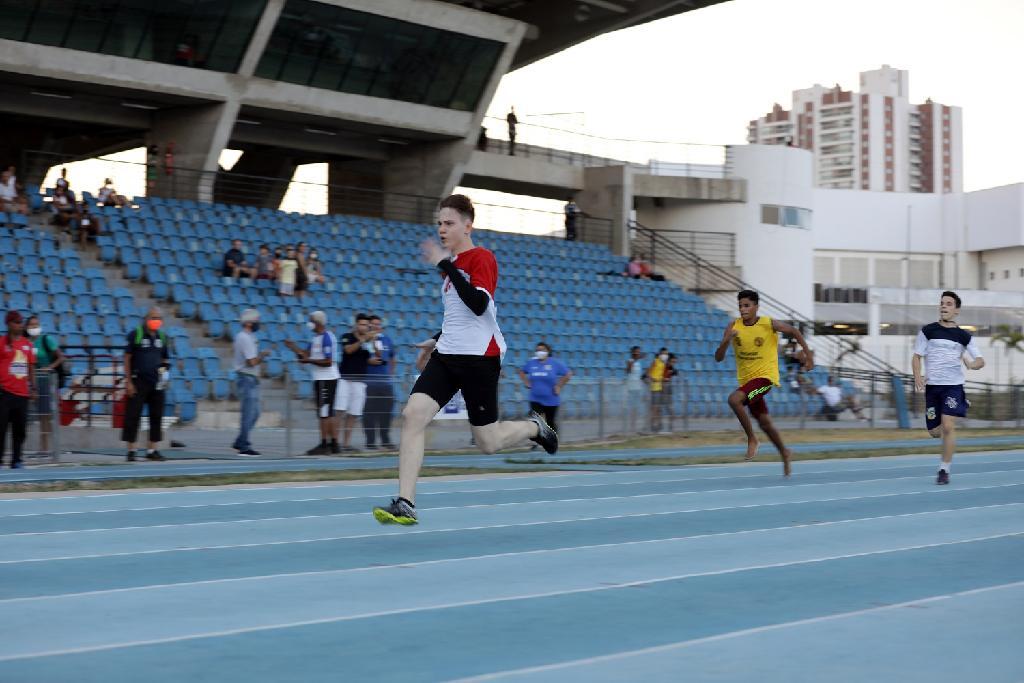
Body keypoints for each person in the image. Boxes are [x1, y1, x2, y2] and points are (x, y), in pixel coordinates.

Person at [372, 194, 557, 525]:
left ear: (467, 225)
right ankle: (405, 501)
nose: (442, 229)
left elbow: (478, 306)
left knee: (488, 442)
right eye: (439, 223)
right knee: (413, 414)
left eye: (449, 223)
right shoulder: (452, 269)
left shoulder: (481, 258)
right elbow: (458, 318)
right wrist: (434, 341)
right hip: (447, 356)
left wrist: (444, 263)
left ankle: (534, 427)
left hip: (479, 361)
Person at [714, 290, 813, 476]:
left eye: (747, 305)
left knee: (735, 400)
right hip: (748, 383)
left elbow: (794, 331)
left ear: (756, 307)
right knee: (765, 423)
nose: (743, 309)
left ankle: (752, 439)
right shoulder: (733, 326)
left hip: (765, 380)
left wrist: (808, 357)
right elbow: (718, 358)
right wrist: (726, 341)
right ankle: (785, 452)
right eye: (740, 306)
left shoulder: (768, 324)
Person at [912, 291, 985, 485]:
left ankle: (944, 469)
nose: (944, 306)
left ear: (957, 310)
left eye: (949, 304)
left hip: (952, 386)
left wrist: (972, 365)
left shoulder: (963, 336)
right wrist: (917, 375)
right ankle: (962, 403)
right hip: (933, 388)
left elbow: (980, 360)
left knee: (947, 426)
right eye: (942, 303)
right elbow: (917, 356)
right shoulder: (928, 331)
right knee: (935, 432)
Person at [285, 310, 340, 455]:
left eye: (311, 320)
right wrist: (293, 347)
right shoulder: (315, 338)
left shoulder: (327, 337)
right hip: (321, 378)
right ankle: (333, 444)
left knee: (324, 412)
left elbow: (328, 361)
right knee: (328, 412)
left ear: (317, 322)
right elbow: (306, 355)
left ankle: (324, 444)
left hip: (326, 378)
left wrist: (308, 360)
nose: (309, 324)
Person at [122, 307, 171, 462]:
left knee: (156, 416)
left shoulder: (162, 337)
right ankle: (131, 450)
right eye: (153, 317)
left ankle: (152, 449)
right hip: (138, 382)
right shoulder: (136, 334)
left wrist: (164, 376)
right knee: (133, 415)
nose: (156, 320)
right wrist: (128, 381)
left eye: (158, 318)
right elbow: (127, 358)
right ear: (146, 318)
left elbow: (165, 359)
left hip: (156, 383)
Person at [0, 311, 36, 469]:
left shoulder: (27, 345)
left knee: (20, 430)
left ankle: (17, 460)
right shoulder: (1, 343)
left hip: (22, 394)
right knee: (1, 429)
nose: (20, 325)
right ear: (8, 324)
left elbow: (31, 367)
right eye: (16, 322)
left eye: (21, 322)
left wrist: (33, 387)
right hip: (4, 393)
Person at [518, 342, 572, 446]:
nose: (540, 352)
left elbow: (568, 373)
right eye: (538, 350)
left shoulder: (555, 363)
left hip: (551, 399)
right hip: (535, 398)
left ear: (548, 352)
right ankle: (536, 442)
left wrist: (559, 386)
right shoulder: (531, 363)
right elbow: (521, 372)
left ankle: (553, 442)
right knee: (534, 420)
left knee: (550, 422)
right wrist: (526, 382)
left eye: (542, 350)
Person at [232, 309, 270, 456]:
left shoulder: (249, 336)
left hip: (250, 377)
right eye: (256, 321)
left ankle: (241, 440)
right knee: (248, 414)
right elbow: (251, 361)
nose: (257, 324)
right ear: (248, 322)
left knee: (255, 413)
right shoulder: (244, 338)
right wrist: (263, 355)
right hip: (246, 377)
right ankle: (244, 445)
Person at [26, 315, 65, 454]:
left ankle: (45, 447)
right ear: (27, 327)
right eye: (31, 325)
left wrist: (50, 367)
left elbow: (61, 357)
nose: (34, 328)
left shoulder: (46, 339)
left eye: (36, 325)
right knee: (30, 414)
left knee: (44, 414)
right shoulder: (26, 342)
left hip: (45, 381)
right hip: (30, 381)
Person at [337, 313, 372, 452]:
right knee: (339, 412)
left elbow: (370, 357)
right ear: (356, 324)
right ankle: (333, 442)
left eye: (366, 325)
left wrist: (373, 342)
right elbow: (348, 350)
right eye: (362, 324)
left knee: (353, 414)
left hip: (360, 381)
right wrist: (363, 340)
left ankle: (345, 444)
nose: (364, 327)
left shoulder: (368, 341)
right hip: (344, 379)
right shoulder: (347, 336)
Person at [363, 314, 396, 450]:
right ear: (369, 325)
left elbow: (393, 357)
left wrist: (390, 374)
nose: (377, 326)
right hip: (369, 383)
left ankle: (385, 439)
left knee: (386, 413)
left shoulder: (387, 339)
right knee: (369, 413)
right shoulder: (365, 341)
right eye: (374, 324)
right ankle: (370, 441)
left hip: (385, 383)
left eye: (378, 324)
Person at [625, 345, 646, 432]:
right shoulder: (630, 361)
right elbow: (628, 371)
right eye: (637, 352)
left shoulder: (638, 363)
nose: (639, 353)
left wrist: (644, 378)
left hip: (638, 387)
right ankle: (631, 425)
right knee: (632, 406)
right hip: (631, 387)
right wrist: (635, 359)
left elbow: (638, 376)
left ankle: (633, 425)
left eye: (639, 352)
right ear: (633, 352)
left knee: (636, 406)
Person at [647, 347, 669, 432]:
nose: (665, 355)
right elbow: (649, 372)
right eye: (664, 353)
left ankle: (658, 425)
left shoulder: (664, 364)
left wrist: (664, 381)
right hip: (654, 388)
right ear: (660, 354)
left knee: (658, 408)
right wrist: (653, 378)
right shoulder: (656, 361)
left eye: (666, 354)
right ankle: (652, 425)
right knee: (654, 408)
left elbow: (662, 376)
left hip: (660, 388)